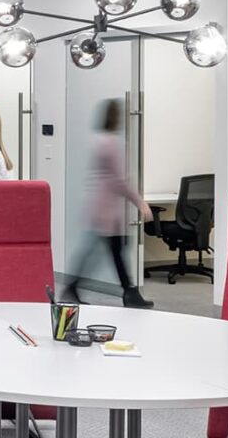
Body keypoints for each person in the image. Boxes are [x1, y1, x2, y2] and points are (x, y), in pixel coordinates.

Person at [61, 99, 155, 308]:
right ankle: (129, 294)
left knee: (107, 251)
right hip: (108, 210)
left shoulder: (98, 140)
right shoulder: (112, 143)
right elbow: (119, 180)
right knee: (115, 252)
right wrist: (140, 202)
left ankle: (74, 287)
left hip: (98, 206)